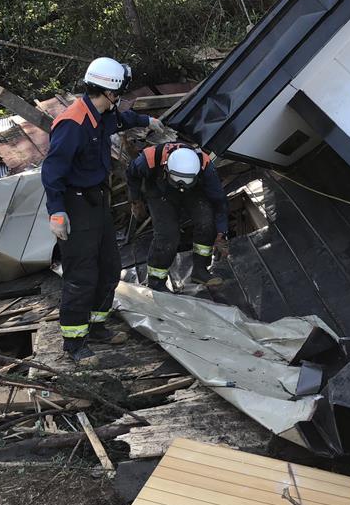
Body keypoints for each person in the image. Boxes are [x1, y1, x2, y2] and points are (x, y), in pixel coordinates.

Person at [42, 56, 165, 364]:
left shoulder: (101, 113)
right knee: (81, 274)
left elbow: (121, 120)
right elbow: (53, 171)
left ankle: (97, 326)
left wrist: (146, 121)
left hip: (97, 199)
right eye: (120, 90)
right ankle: (74, 343)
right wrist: (57, 211)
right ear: (110, 92)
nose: (121, 96)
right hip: (75, 203)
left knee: (109, 265)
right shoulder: (73, 123)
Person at [126, 143, 229, 291]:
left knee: (207, 222)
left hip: (193, 191)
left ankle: (200, 270)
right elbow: (131, 173)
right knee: (167, 235)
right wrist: (136, 200)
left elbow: (219, 200)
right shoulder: (149, 159)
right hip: (159, 189)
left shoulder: (205, 165)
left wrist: (222, 232)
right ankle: (156, 282)